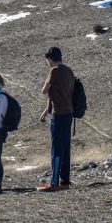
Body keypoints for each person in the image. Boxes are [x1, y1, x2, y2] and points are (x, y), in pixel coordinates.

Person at [37, 46, 76, 192]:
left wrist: (48, 80)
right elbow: (63, 94)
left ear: (50, 59)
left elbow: (44, 90)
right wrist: (46, 110)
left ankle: (54, 183)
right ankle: (64, 181)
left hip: (58, 115)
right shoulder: (69, 71)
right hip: (68, 113)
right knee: (65, 148)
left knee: (56, 149)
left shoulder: (54, 71)